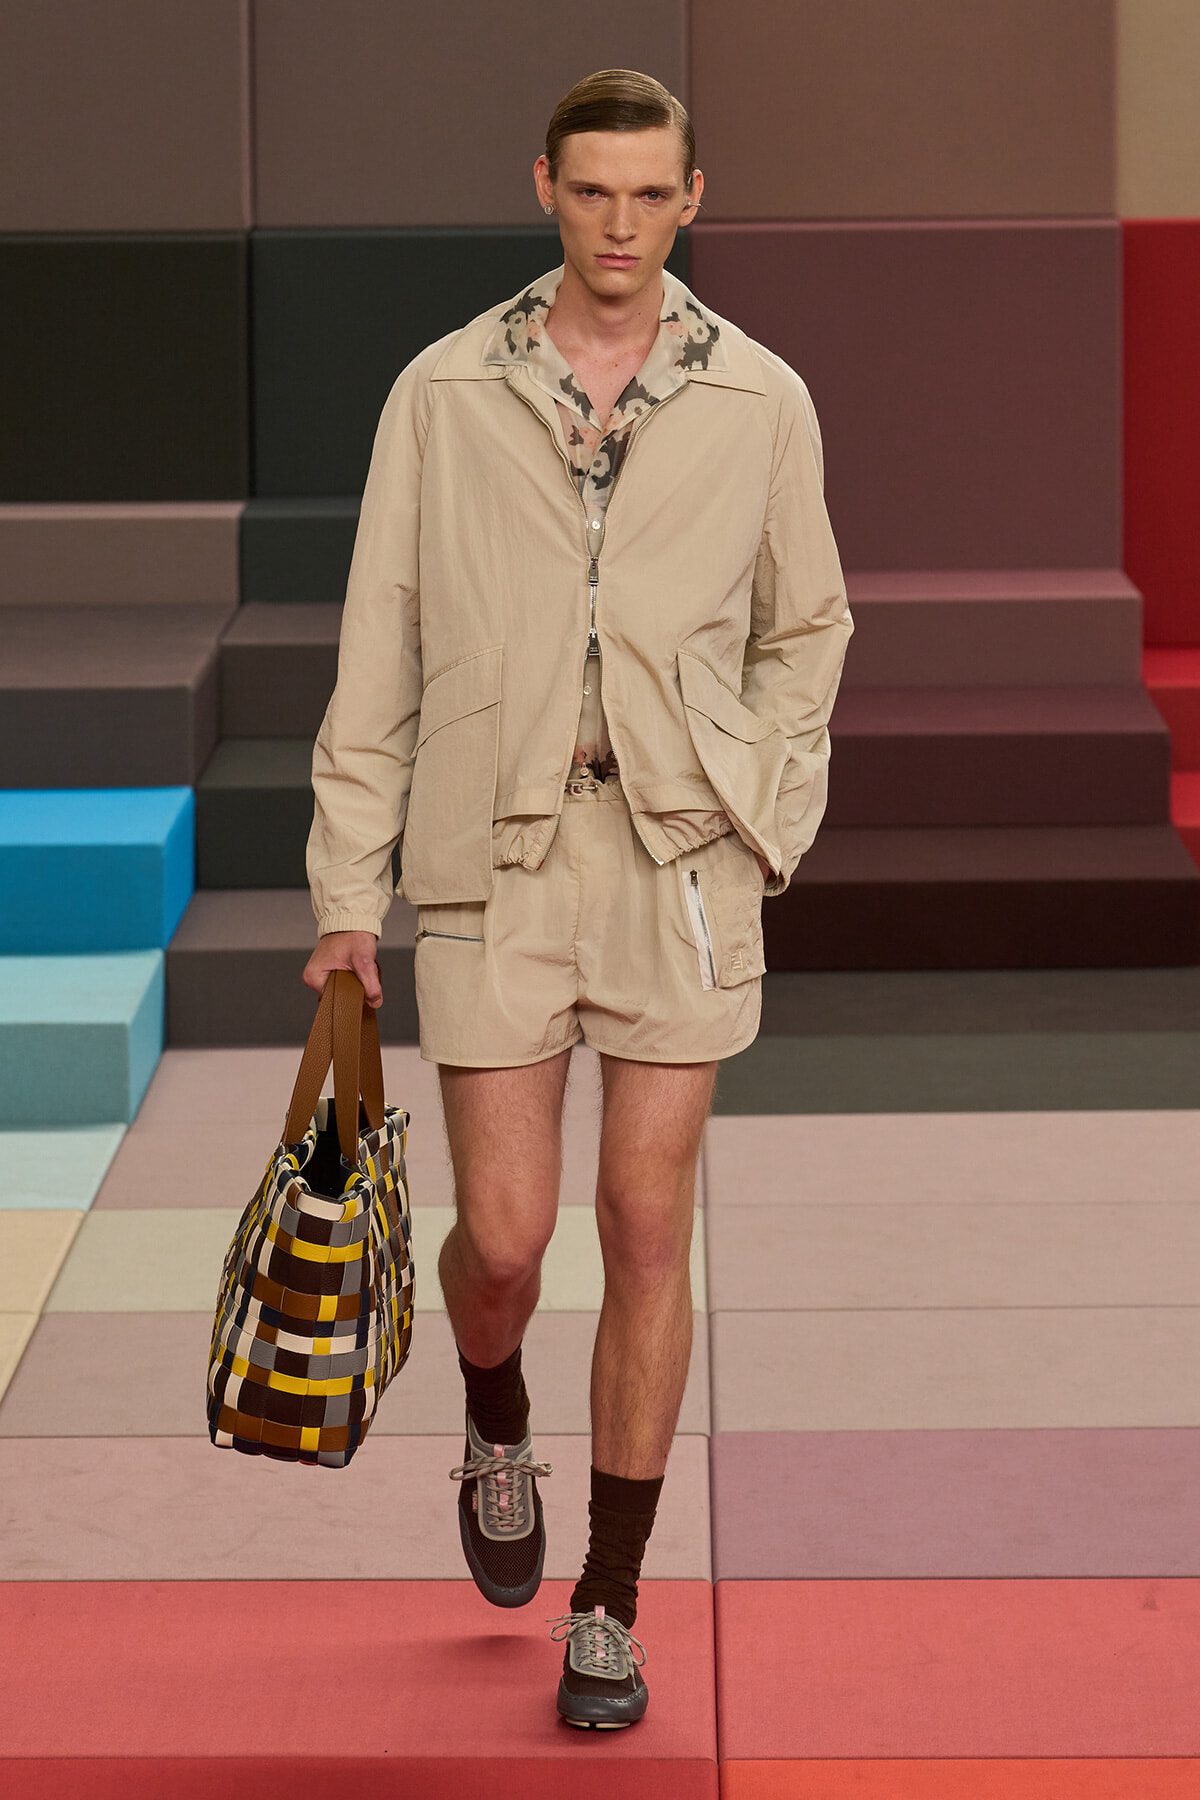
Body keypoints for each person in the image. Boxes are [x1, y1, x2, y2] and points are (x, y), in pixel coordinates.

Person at [302, 68, 851, 1730]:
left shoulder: (758, 398)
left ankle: (607, 1600)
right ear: (546, 186)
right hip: (493, 856)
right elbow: (379, 640)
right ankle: (490, 1408)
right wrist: (347, 887)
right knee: (514, 1242)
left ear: (698, 196)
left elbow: (807, 629)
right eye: (593, 191)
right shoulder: (444, 393)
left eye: (652, 193)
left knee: (647, 1222)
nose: (621, 223)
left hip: (679, 860)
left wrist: (766, 811)